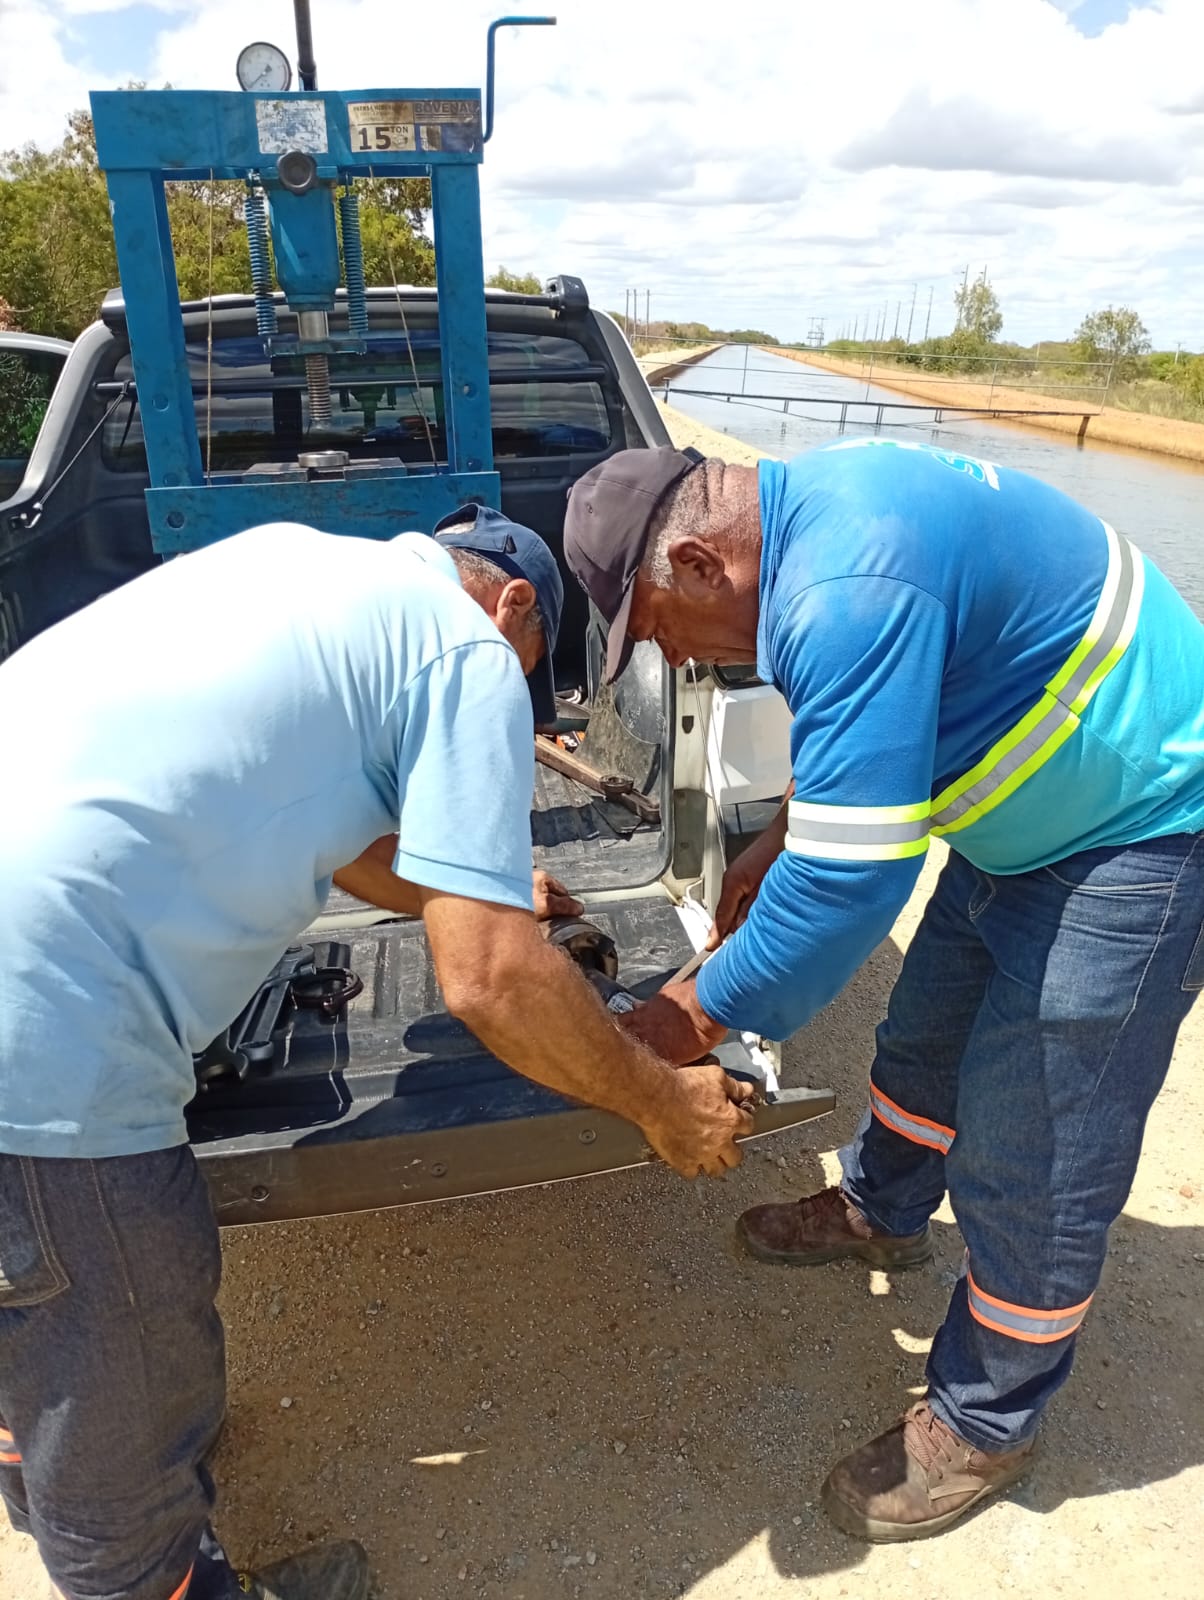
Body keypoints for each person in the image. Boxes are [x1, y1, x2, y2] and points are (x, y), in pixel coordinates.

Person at [0, 505, 753, 1600]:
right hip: (39, 1018)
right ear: (515, 607)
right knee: (119, 1319)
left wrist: (471, 879)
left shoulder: (293, 566)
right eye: (528, 667)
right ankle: (149, 1561)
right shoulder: (466, 651)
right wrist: (661, 1105)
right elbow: (488, 979)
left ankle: (34, 1468)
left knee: (34, 1299)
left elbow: (346, 838)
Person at [563, 438, 1204, 1541]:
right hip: (1018, 819)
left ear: (703, 562)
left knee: (1033, 1147)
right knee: (921, 1043)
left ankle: (986, 1422)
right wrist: (779, 830)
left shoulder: (846, 580)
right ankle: (880, 1210)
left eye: (661, 626)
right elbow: (881, 696)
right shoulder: (815, 535)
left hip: (1142, 825)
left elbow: (846, 891)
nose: (674, 656)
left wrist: (669, 1028)